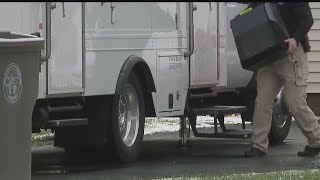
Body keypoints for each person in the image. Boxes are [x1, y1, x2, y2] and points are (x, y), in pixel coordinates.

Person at [243, 2, 320, 157]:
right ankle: (258, 146)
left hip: (291, 55)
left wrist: (295, 39)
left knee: (295, 102)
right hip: (269, 56)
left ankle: (316, 140)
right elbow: (251, 11)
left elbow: (307, 20)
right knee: (262, 101)